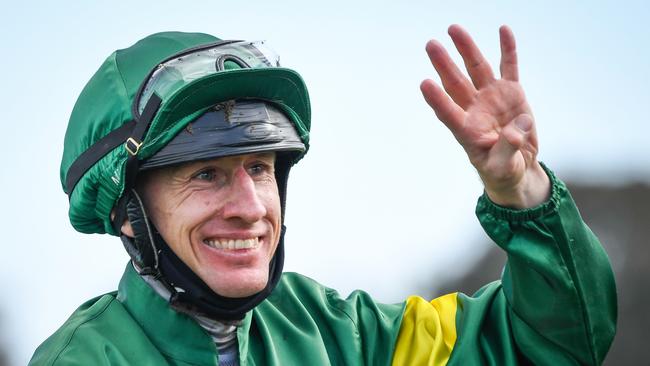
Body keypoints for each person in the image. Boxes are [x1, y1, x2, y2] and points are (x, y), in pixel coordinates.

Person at [30, 25, 616, 365]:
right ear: (126, 214)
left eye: (259, 168)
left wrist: (520, 192)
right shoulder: (84, 359)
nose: (251, 206)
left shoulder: (339, 331)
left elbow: (543, 345)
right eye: (205, 173)